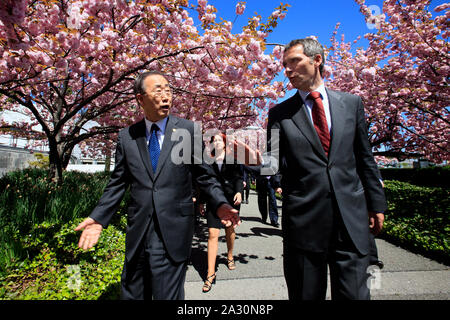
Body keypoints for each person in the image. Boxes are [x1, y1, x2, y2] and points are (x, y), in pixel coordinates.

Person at [75, 71, 240, 300]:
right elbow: (118, 183)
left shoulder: (187, 130)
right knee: (132, 294)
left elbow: (205, 176)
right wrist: (100, 217)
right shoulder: (127, 136)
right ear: (140, 99)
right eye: (158, 90)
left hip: (173, 230)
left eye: (168, 90)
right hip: (139, 231)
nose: (166, 96)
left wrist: (220, 203)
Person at [266, 38, 387, 300]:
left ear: (316, 60)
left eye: (294, 62)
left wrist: (376, 204)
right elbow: (271, 165)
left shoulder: (352, 104)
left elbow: (364, 157)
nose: (287, 70)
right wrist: (257, 162)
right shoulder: (279, 114)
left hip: (350, 222)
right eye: (284, 65)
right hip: (304, 224)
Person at [202, 133, 243, 293]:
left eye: (219, 140)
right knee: (212, 233)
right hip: (213, 200)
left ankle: (230, 255)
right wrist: (200, 201)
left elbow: (239, 177)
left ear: (225, 143)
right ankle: (210, 274)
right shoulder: (208, 160)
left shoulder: (232, 158)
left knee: (229, 230)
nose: (216, 143)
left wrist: (239, 192)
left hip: (231, 198)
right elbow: (203, 181)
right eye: (214, 141)